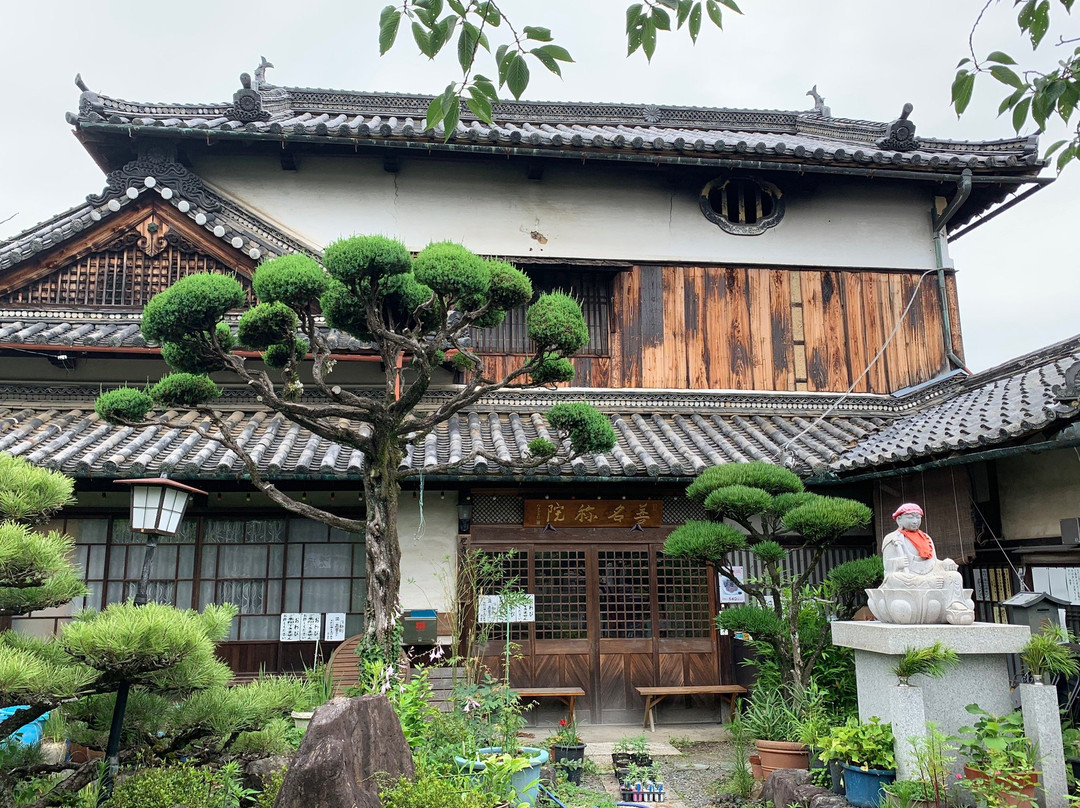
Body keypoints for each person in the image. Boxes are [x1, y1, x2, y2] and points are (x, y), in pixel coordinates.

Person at [869, 503, 975, 625]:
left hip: (930, 573)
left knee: (954, 576)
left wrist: (945, 563)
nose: (915, 521)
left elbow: (934, 562)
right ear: (899, 519)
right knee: (896, 578)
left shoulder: (926, 538)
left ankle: (955, 604)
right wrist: (898, 562)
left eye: (918, 517)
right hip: (907, 577)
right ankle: (929, 587)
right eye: (910, 517)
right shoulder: (892, 539)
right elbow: (888, 568)